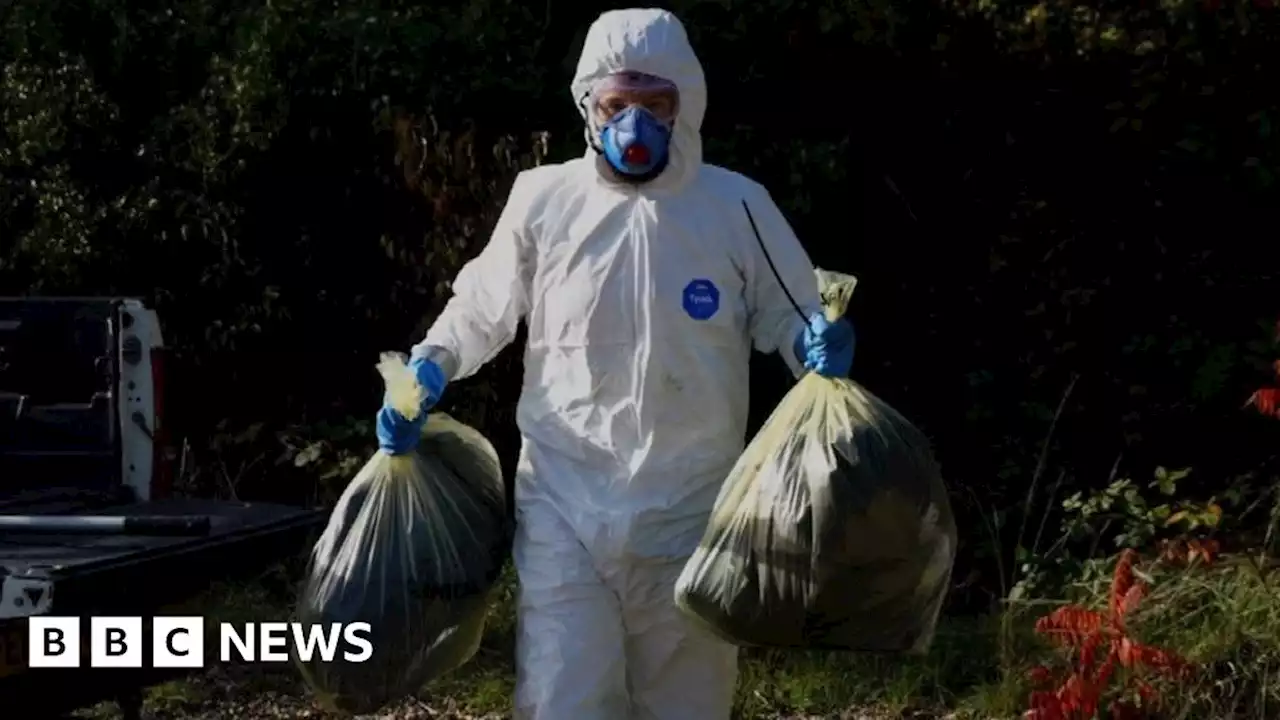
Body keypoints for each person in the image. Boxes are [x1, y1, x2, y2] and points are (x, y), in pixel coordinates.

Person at [376, 8, 855, 720]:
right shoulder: (544, 201)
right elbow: (482, 308)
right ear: (589, 106)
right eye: (617, 104)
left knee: (688, 704)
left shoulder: (735, 206)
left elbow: (790, 315)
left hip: (693, 511)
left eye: (655, 104)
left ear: (684, 107)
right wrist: (431, 366)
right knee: (564, 698)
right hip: (565, 505)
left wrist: (817, 347)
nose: (635, 124)